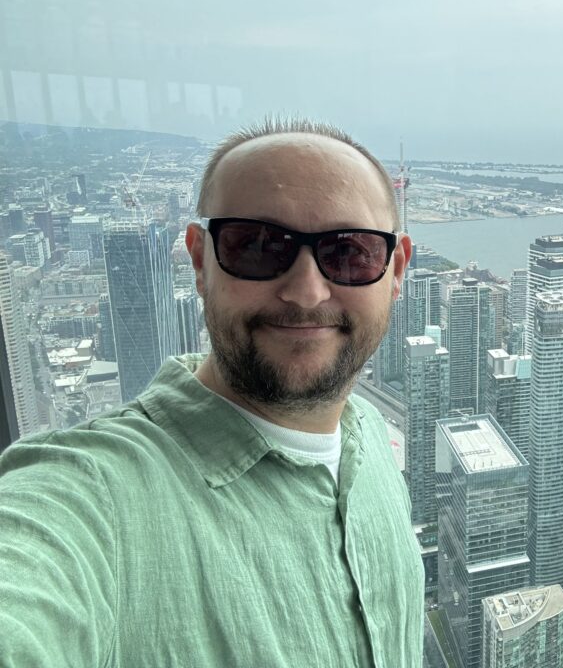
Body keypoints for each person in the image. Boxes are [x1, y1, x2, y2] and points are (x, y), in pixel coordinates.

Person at [0, 118, 425, 667]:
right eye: (258, 246)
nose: (306, 291)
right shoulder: (93, 499)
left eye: (350, 253)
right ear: (200, 260)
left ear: (396, 270)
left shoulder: (368, 436)